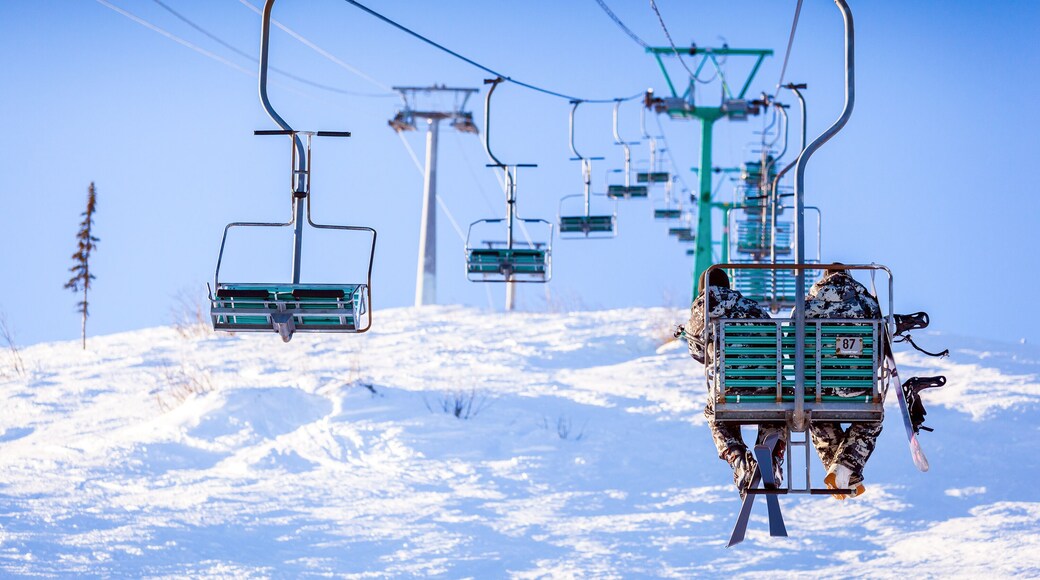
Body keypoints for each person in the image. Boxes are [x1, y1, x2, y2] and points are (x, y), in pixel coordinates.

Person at [683, 268, 785, 497]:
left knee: (716, 414)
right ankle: (771, 456)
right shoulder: (752, 307)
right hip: (770, 388)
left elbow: (698, 354)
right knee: (778, 412)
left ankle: (738, 460)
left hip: (730, 388)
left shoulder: (702, 310)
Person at [803, 265, 883, 499]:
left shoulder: (807, 304)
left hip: (819, 388)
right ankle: (845, 472)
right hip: (858, 389)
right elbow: (880, 346)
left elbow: (791, 347)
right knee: (871, 420)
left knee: (817, 418)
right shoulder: (867, 304)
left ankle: (841, 473)